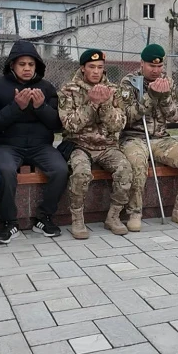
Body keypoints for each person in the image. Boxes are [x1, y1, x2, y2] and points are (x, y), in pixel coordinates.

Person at [0, 40, 66, 242]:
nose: (27, 68)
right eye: (22, 64)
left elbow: (56, 124)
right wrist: (16, 107)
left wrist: (41, 107)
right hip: (8, 145)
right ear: (12, 65)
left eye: (31, 64)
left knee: (60, 169)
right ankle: (9, 222)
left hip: (41, 146)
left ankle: (44, 217)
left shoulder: (46, 88)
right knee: (5, 170)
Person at [118, 44, 178, 229]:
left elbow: (175, 116)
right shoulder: (129, 82)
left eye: (159, 66)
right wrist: (151, 96)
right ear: (142, 63)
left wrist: (164, 98)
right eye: (151, 66)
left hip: (161, 138)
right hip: (134, 138)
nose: (156, 70)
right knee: (137, 163)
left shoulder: (167, 82)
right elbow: (127, 117)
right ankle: (134, 213)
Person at [58, 48, 132, 239]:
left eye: (100, 67)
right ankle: (77, 219)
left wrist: (105, 104)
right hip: (79, 145)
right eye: (92, 67)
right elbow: (70, 125)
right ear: (83, 68)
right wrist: (91, 104)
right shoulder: (69, 90)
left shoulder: (113, 90)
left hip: (107, 146)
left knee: (125, 169)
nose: (96, 71)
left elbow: (118, 125)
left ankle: (113, 216)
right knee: (81, 172)